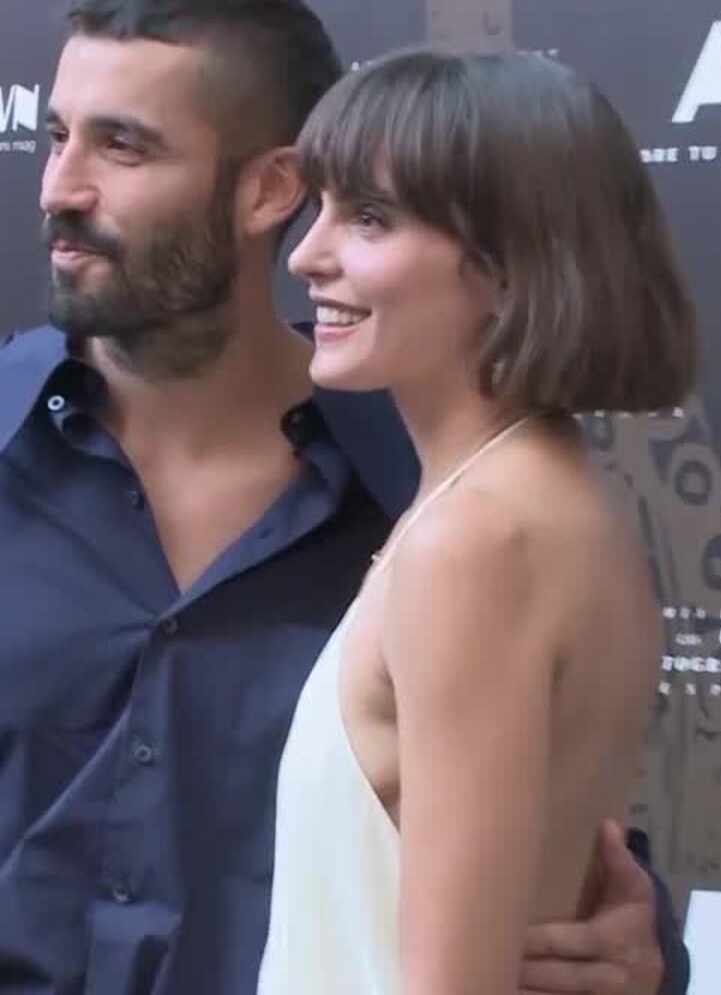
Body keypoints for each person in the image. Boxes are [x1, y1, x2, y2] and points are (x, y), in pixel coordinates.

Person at [0, 0, 689, 995]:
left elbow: (546, 847)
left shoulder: (441, 498)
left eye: (122, 146)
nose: (60, 190)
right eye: (56, 138)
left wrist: (637, 951)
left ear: (270, 188)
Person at [252, 49, 696, 995]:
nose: (306, 254)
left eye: (369, 218)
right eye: (320, 207)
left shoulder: (474, 543)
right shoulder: (544, 498)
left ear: (507, 265)